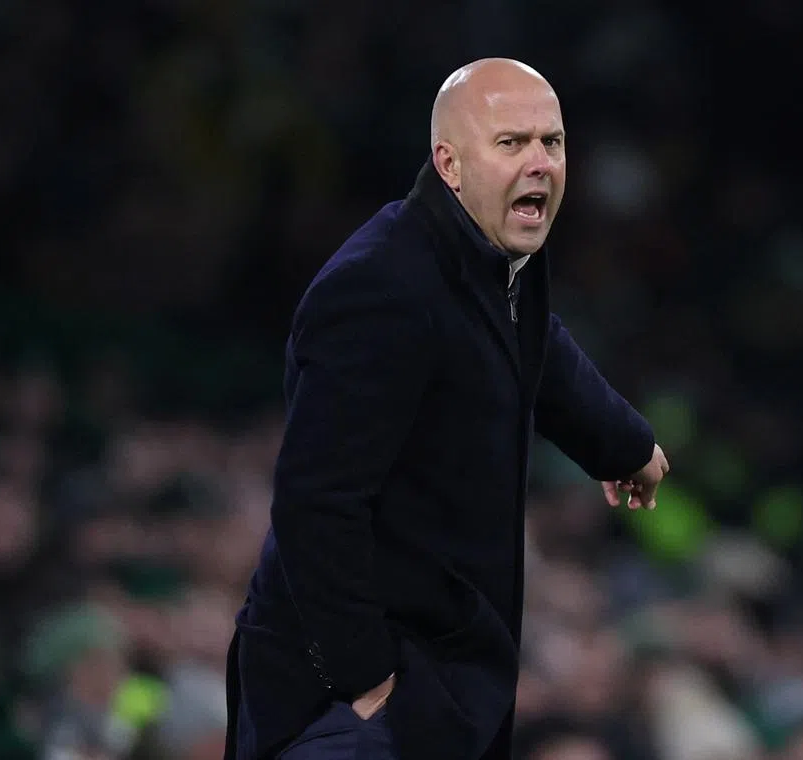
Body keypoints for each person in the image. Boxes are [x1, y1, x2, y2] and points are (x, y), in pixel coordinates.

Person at [224, 57, 669, 760]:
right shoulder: (380, 287)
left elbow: (535, 344)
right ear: (449, 163)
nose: (539, 163)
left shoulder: (487, 259)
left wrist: (625, 445)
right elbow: (315, 500)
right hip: (347, 702)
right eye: (510, 143)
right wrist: (366, 679)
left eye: (550, 143)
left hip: (434, 679)